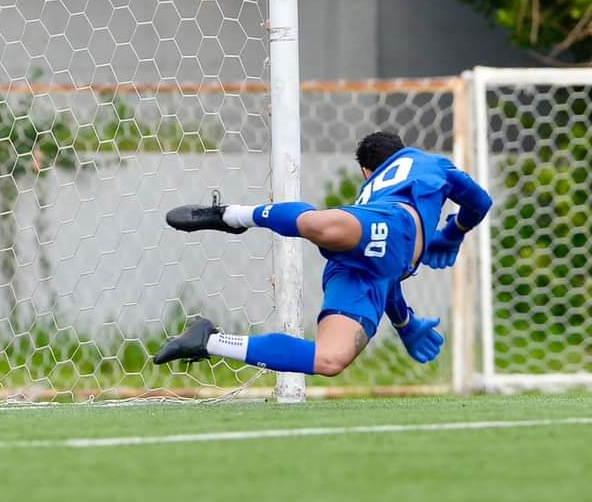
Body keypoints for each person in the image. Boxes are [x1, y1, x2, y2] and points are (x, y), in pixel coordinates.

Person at [154, 131, 493, 376]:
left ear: (366, 172)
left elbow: (387, 273)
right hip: (391, 224)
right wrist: (453, 233)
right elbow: (480, 201)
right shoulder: (433, 163)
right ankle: (231, 215)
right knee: (321, 225)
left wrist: (405, 322)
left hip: (366, 268)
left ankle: (209, 341)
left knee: (330, 359)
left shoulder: (373, 189)